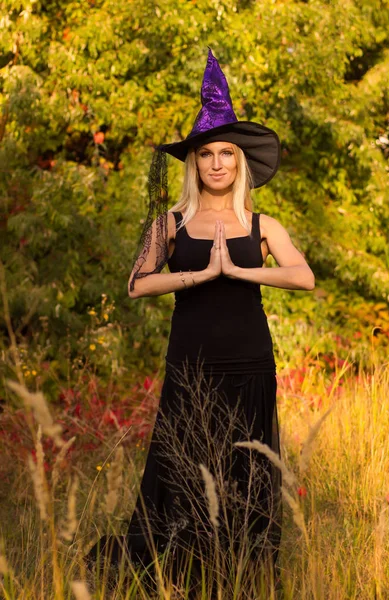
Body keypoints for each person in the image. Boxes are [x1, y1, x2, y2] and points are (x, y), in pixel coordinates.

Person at [84, 49, 315, 594]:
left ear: (239, 163)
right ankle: (180, 575)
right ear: (194, 163)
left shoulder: (261, 222)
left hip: (249, 361)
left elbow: (303, 277)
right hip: (191, 363)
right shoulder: (169, 222)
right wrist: (200, 276)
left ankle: (240, 574)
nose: (216, 163)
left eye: (226, 154)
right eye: (206, 154)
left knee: (247, 471)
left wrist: (238, 268)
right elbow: (137, 283)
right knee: (183, 466)